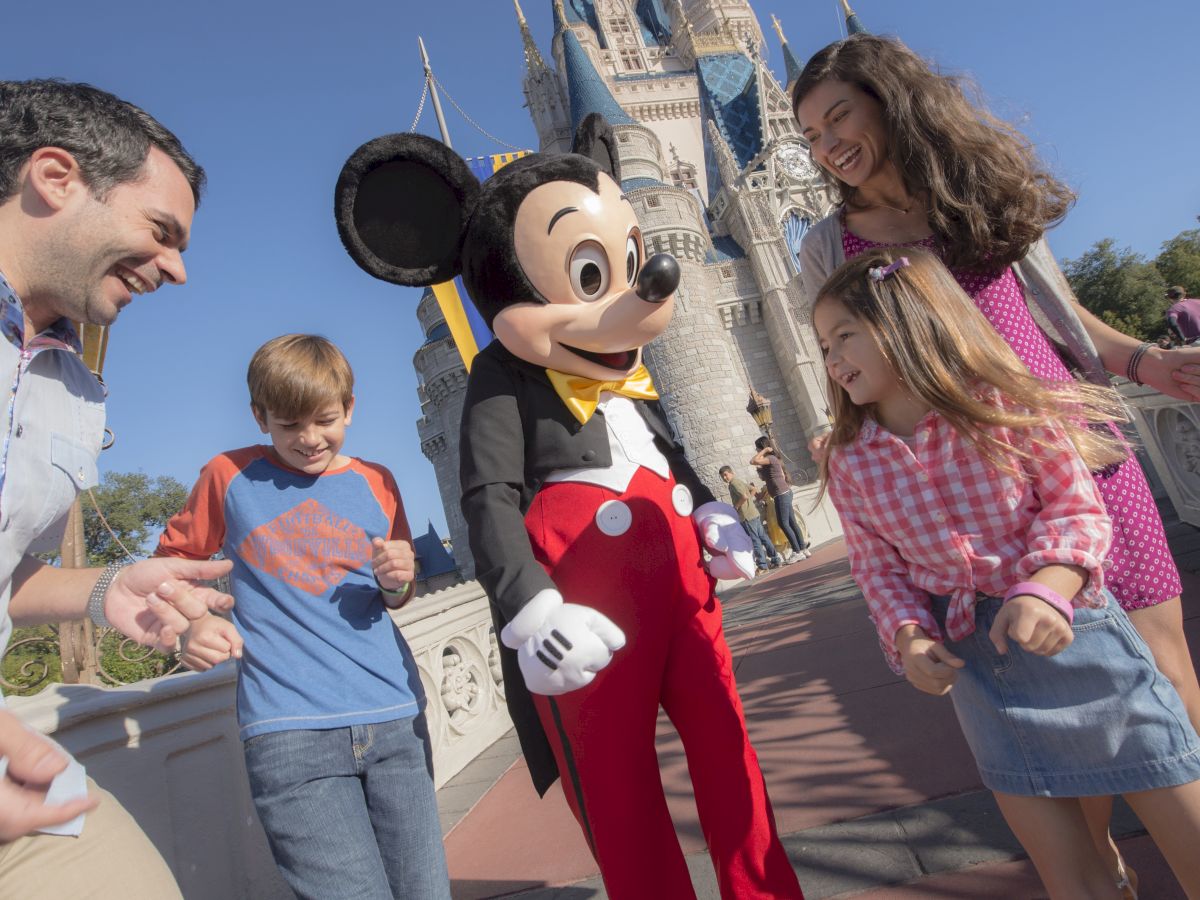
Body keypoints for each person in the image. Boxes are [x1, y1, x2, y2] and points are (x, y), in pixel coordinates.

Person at [792, 37, 1200, 891]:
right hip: (977, 495)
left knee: (1165, 672)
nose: (829, 145)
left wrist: (1144, 365)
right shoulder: (831, 246)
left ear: (888, 100)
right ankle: (1100, 866)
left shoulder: (972, 197)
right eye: (811, 135)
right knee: (1055, 705)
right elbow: (844, 355)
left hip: (1073, 451)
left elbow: (1061, 316)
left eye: (839, 116)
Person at [0, 79, 235, 898]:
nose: (176, 270)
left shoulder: (73, 380)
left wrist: (105, 590)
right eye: (161, 232)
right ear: (56, 177)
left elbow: (9, 581)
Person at [155, 334, 450, 900]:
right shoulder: (228, 476)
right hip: (289, 733)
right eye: (289, 425)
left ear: (350, 408)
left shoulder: (377, 481)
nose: (310, 439)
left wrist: (398, 579)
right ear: (259, 417)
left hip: (394, 716)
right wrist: (190, 624)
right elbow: (170, 564)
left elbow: (396, 596)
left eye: (326, 420)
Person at [750, 436, 809, 560]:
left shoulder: (770, 458)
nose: (756, 450)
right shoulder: (772, 460)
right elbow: (780, 474)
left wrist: (765, 450)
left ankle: (797, 551)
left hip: (781, 494)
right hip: (783, 492)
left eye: (757, 448)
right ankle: (803, 548)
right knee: (792, 522)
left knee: (783, 523)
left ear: (762, 447)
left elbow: (753, 461)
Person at [720, 465, 782, 572]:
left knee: (755, 540)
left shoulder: (734, 483)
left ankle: (762, 566)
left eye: (725, 475)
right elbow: (753, 490)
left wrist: (736, 506)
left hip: (747, 516)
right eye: (722, 477)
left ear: (731, 473)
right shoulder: (738, 481)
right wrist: (749, 502)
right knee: (763, 538)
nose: (725, 478)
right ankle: (776, 560)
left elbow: (744, 496)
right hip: (754, 514)